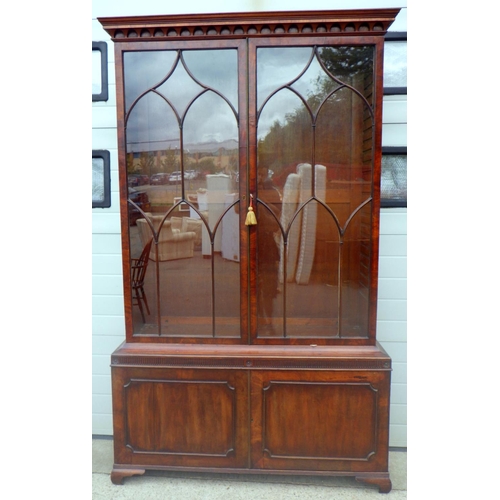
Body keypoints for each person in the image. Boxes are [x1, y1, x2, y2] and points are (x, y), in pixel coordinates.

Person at [256, 166, 282, 333]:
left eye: (262, 174)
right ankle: (259, 320)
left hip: (267, 245)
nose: (259, 177)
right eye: (257, 174)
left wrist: (262, 203)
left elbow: (275, 222)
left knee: (269, 288)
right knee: (253, 287)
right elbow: (238, 209)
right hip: (250, 244)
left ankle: (270, 322)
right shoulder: (246, 190)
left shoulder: (272, 192)